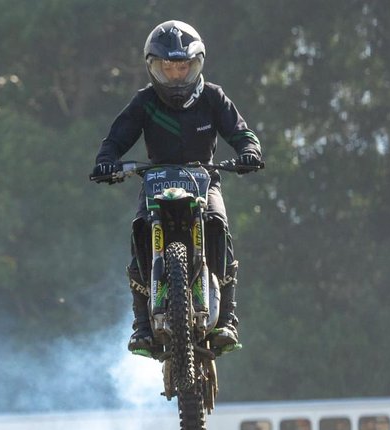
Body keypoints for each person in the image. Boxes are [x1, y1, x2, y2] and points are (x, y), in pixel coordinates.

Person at [91, 19, 263, 355]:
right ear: (152, 68)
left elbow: (241, 132)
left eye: (182, 68)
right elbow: (114, 140)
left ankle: (227, 319)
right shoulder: (144, 102)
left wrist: (249, 152)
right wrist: (106, 162)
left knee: (218, 224)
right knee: (140, 229)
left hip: (204, 179)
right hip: (156, 182)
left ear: (197, 65)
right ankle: (142, 325)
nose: (175, 77)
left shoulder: (213, 97)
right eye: (167, 69)